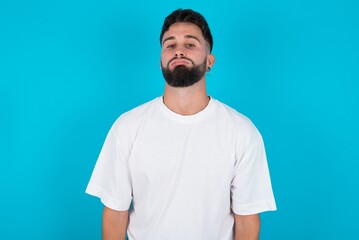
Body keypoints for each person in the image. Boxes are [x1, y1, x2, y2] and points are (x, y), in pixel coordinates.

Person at [86, 8, 276, 240]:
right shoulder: (127, 127)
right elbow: (116, 213)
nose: (178, 51)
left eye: (190, 44)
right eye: (170, 45)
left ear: (209, 61)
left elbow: (246, 219)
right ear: (161, 60)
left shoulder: (242, 132)